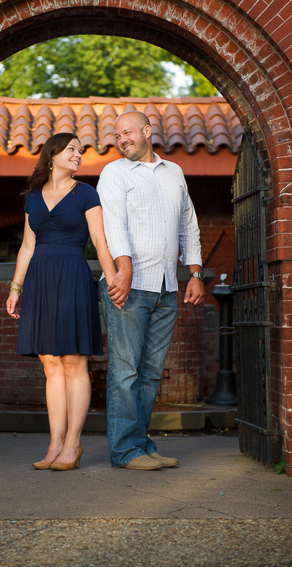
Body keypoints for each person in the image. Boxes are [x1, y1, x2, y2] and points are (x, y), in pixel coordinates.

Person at [97, 110, 204, 470]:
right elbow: (113, 222)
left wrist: (195, 272)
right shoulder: (114, 172)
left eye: (127, 132)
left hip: (166, 286)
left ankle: (141, 444)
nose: (121, 139)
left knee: (150, 373)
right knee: (125, 372)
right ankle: (125, 452)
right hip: (128, 286)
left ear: (147, 131)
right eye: (117, 135)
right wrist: (123, 269)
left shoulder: (174, 172)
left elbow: (188, 222)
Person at [6, 132, 119, 471]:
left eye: (80, 151)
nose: (78, 155)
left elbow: (100, 241)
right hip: (40, 279)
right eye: (71, 149)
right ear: (52, 155)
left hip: (72, 275)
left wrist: (113, 280)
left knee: (73, 362)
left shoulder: (86, 193)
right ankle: (54, 443)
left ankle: (73, 443)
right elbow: (27, 246)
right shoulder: (32, 198)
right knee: (50, 364)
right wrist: (15, 288)